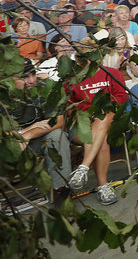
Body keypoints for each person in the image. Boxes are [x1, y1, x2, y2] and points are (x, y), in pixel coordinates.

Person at [66, 40, 129, 205]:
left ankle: (83, 168)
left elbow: (121, 99)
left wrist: (99, 111)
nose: (89, 62)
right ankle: (103, 186)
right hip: (83, 125)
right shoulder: (72, 79)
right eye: (85, 59)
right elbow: (69, 108)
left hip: (110, 120)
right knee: (101, 140)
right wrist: (87, 115)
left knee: (104, 114)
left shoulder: (112, 73)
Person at [13, 60, 71, 203]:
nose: (31, 80)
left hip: (37, 139)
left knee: (57, 136)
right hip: (10, 145)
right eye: (25, 77)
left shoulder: (44, 86)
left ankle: (61, 193)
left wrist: (30, 134)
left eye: (33, 74)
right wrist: (25, 132)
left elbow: (58, 121)